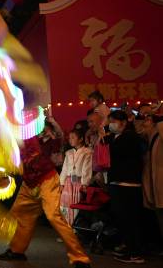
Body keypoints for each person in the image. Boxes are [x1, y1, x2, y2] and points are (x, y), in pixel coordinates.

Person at [0, 115, 91, 268]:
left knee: (53, 215)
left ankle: (79, 258)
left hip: (46, 179)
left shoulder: (26, 135)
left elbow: (26, 159)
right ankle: (17, 250)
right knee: (22, 214)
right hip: (29, 183)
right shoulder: (4, 139)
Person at [103, 109, 146, 264]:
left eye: (113, 121)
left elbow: (117, 153)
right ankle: (129, 248)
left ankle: (135, 253)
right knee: (123, 219)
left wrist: (107, 142)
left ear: (123, 122)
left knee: (130, 219)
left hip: (128, 184)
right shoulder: (117, 137)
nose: (110, 125)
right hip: (119, 183)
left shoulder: (129, 136)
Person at [59, 129, 93, 226]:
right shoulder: (69, 152)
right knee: (65, 205)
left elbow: (86, 169)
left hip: (78, 183)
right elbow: (64, 169)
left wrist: (84, 183)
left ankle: (75, 229)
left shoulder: (87, 152)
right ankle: (66, 230)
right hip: (68, 182)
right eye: (69, 138)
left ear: (81, 139)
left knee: (76, 204)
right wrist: (61, 183)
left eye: (73, 138)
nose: (70, 140)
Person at [142, 114, 163, 248]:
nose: (144, 123)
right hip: (154, 186)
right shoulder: (150, 138)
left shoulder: (160, 136)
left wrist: (159, 119)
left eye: (148, 120)